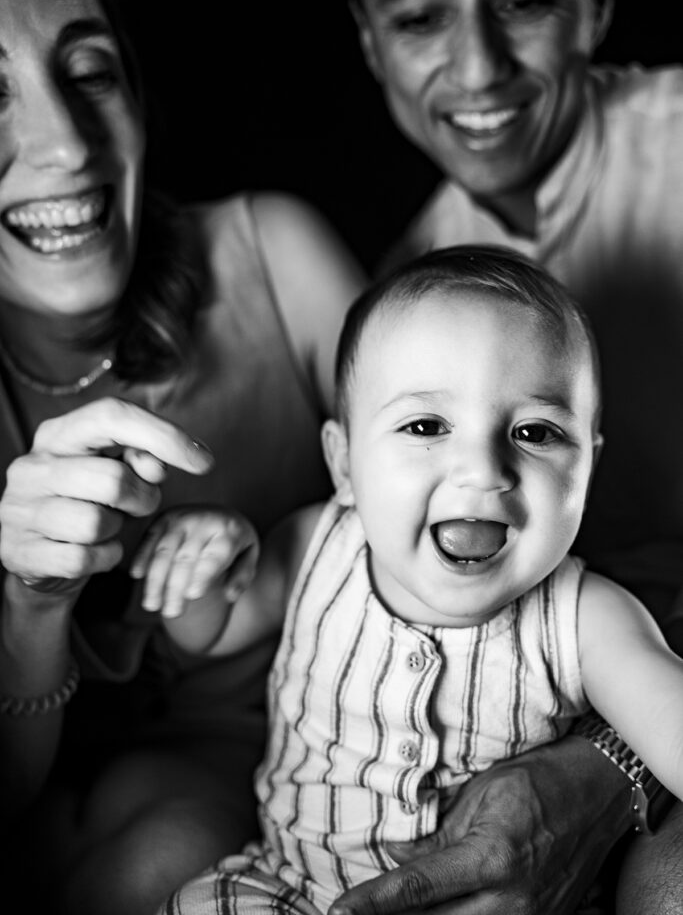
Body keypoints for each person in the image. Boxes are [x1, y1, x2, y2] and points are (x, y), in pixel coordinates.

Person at [0, 0, 366, 914]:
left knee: (155, 862)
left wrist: (269, 554)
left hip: (300, 772)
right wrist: (30, 603)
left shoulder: (274, 258)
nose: (66, 146)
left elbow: (466, 492)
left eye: (87, 73)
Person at [133, 246, 683, 915]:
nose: (482, 470)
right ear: (343, 464)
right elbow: (211, 631)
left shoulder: (587, 618)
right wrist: (196, 570)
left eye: (535, 432)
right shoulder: (315, 547)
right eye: (426, 425)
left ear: (587, 470)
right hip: (291, 885)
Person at [330, 0, 683, 911]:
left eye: (523, 0)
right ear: (369, 40)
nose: (478, 68)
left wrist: (612, 763)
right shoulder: (403, 304)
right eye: (418, 16)